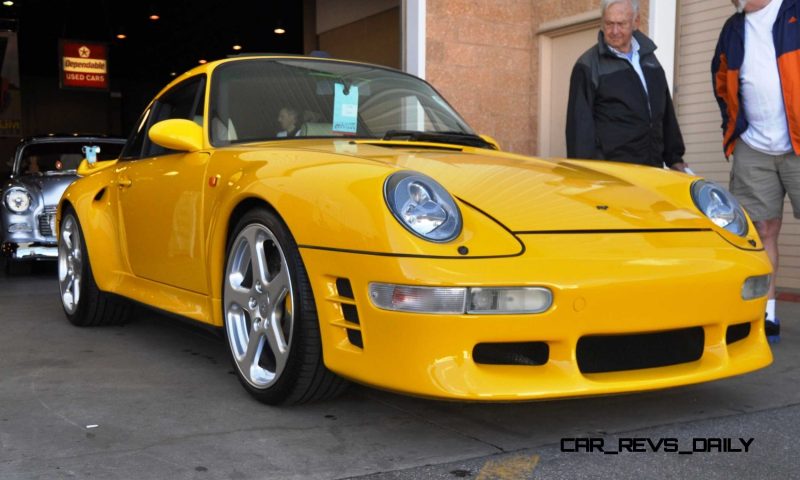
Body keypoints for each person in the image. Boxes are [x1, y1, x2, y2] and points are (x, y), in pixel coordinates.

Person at [712, 0, 799, 343]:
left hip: (796, 141)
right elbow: (721, 81)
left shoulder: (792, 12)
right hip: (754, 146)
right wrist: (735, 127)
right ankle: (767, 314)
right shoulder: (733, 28)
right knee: (761, 230)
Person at [566, 0, 689, 172]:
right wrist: (585, 175)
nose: (614, 31)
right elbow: (579, 129)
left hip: (652, 171)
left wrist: (674, 158)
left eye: (621, 24)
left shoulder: (650, 60)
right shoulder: (587, 66)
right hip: (613, 175)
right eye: (609, 24)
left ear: (636, 22)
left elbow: (665, 112)